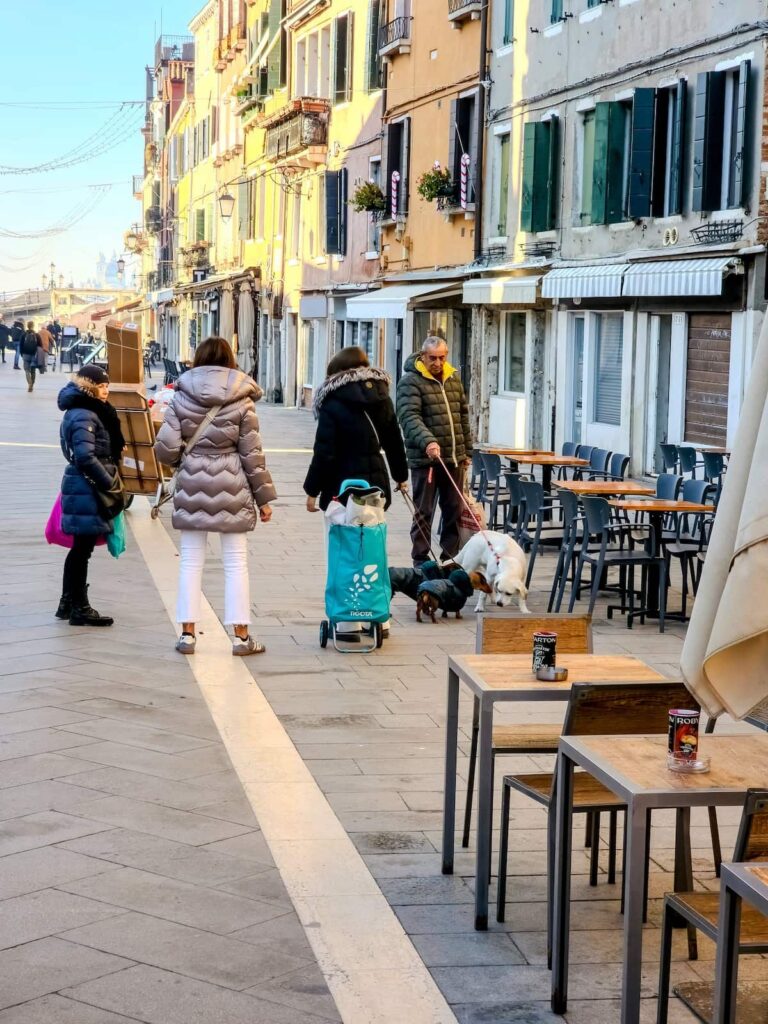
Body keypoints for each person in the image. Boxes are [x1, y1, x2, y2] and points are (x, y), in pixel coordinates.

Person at [154, 336, 276, 657]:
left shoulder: (181, 397)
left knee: (191, 562)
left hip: (193, 483)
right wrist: (263, 499)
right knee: (236, 563)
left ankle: (188, 635)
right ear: (229, 360)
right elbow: (253, 455)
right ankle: (240, 637)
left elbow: (165, 451)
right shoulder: (242, 399)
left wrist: (185, 455)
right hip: (232, 486)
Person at [304, 346, 408, 514]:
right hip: (376, 484)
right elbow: (393, 441)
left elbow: (324, 452)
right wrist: (400, 476)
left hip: (341, 485)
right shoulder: (382, 397)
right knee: (370, 534)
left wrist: (312, 490)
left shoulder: (331, 401)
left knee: (342, 536)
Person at [396, 336, 473, 567]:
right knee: (424, 511)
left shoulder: (453, 378)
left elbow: (462, 417)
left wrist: (467, 451)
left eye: (442, 357)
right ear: (422, 356)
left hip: (453, 457)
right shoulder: (410, 381)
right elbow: (408, 417)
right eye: (433, 358)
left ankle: (449, 559)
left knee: (454, 510)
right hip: (425, 459)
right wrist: (428, 441)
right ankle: (420, 560)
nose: (437, 363)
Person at [57, 365, 124, 627]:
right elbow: (85, 456)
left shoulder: (89, 409)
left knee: (80, 548)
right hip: (89, 487)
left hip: (85, 485)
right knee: (81, 549)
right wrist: (108, 482)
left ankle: (69, 602)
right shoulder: (85, 413)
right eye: (101, 385)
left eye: (108, 385)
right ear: (89, 386)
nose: (106, 390)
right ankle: (80, 608)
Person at [20, 321, 41, 392]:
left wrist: (21, 354)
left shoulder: (24, 335)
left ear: (27, 326)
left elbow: (21, 345)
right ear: (33, 326)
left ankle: (29, 383)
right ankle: (32, 384)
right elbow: (40, 346)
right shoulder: (37, 335)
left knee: (26, 370)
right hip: (34, 355)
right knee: (33, 371)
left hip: (25, 354)